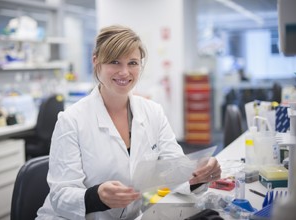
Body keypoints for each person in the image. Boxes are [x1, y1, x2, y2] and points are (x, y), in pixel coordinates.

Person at [36, 25, 221, 220]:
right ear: (96, 61)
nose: (125, 72)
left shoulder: (153, 112)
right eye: (115, 62)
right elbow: (60, 196)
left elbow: (174, 170)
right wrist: (95, 196)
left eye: (132, 63)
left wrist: (198, 175)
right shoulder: (71, 120)